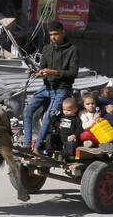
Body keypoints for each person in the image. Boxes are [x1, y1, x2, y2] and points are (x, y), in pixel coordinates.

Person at [22, 21, 80, 151]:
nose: (53, 37)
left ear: (63, 32)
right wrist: (35, 73)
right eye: (51, 35)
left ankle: (36, 149)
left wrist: (53, 72)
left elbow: (73, 73)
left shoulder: (72, 49)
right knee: (27, 111)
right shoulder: (47, 49)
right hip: (47, 88)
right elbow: (42, 70)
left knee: (49, 116)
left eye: (56, 34)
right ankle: (26, 145)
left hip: (62, 89)